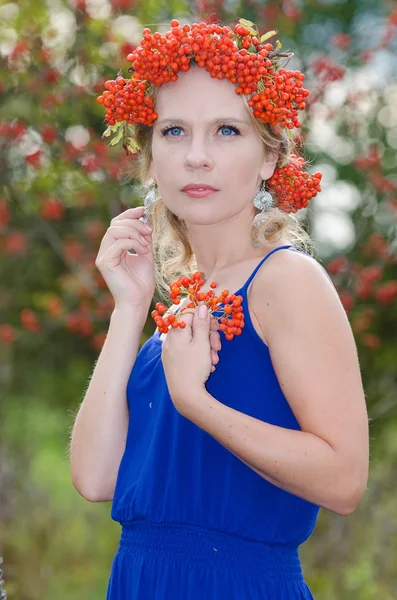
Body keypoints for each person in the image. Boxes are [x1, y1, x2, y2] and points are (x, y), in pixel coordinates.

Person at [70, 18, 369, 599]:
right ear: (151, 157)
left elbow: (344, 481)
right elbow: (94, 477)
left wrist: (195, 403)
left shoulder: (285, 280)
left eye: (227, 131)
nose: (197, 157)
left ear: (267, 158)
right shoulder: (178, 309)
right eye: (174, 130)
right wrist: (128, 311)